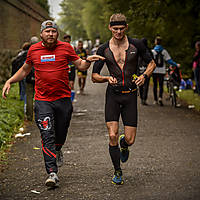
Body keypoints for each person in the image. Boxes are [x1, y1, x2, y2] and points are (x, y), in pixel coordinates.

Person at [2, 20, 104, 188]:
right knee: (47, 133)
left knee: (61, 133)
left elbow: (80, 64)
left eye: (53, 31)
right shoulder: (33, 50)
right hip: (43, 101)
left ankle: (58, 149)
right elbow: (25, 69)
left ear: (57, 34)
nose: (50, 34)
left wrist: (88, 61)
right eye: (47, 31)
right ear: (41, 34)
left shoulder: (66, 48)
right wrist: (10, 81)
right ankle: (52, 172)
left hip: (63, 100)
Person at [92, 13, 156, 185]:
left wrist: (144, 76)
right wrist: (106, 78)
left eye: (121, 28)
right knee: (112, 134)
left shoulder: (137, 44)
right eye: (115, 29)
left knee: (130, 139)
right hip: (113, 95)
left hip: (130, 96)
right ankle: (117, 171)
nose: (118, 32)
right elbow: (94, 76)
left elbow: (152, 63)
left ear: (126, 27)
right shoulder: (103, 49)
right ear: (110, 28)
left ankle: (124, 144)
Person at [152, 36, 180, 106]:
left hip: (154, 70)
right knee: (161, 85)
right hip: (162, 71)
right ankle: (160, 98)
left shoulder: (152, 51)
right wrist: (176, 64)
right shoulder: (164, 51)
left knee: (155, 85)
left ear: (155, 42)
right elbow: (169, 61)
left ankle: (155, 100)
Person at [11, 42, 31, 112]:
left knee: (22, 87)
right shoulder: (28, 54)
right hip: (26, 74)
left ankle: (21, 99)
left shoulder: (20, 54)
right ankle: (25, 105)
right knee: (27, 90)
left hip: (19, 73)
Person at [25, 36, 39, 121]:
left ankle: (30, 116)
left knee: (29, 97)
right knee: (39, 96)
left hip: (29, 77)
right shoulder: (41, 51)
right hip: (38, 78)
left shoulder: (27, 52)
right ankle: (40, 115)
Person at [138, 38, 152, 105]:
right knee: (146, 85)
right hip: (147, 70)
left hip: (139, 69)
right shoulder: (149, 51)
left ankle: (141, 98)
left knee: (140, 84)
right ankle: (144, 98)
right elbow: (152, 62)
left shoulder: (138, 50)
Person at [64, 34, 76, 101]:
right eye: (65, 39)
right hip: (64, 68)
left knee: (71, 84)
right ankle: (66, 99)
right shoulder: (61, 47)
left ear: (70, 40)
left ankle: (71, 100)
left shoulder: (72, 47)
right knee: (65, 85)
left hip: (71, 68)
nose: (67, 40)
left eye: (68, 39)